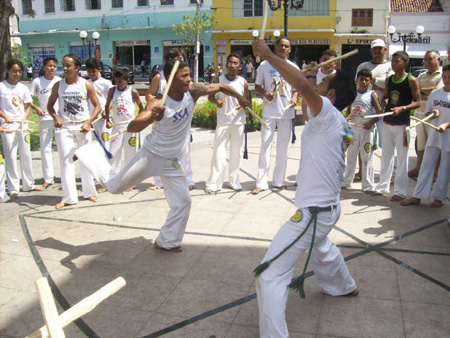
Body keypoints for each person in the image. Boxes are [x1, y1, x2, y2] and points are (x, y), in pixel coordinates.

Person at [73, 59, 250, 252]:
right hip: (151, 155)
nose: (188, 80)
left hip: (171, 160)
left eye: (189, 75)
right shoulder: (158, 102)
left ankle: (167, 240)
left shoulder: (193, 91)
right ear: (170, 78)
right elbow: (132, 126)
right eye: (184, 76)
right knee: (114, 187)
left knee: (183, 202)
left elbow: (223, 86)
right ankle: (89, 152)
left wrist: (240, 98)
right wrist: (151, 116)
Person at [252, 39, 358, 338]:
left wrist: (270, 55)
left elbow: (301, 87)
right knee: (321, 246)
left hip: (314, 213)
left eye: (324, 83)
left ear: (331, 94)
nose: (318, 84)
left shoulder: (326, 113)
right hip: (326, 210)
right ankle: (344, 285)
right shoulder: (332, 119)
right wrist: (313, 76)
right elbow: (307, 102)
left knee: (269, 273)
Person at [47, 53, 101, 209]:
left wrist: (88, 122)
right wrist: (56, 118)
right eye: (63, 65)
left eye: (68, 65)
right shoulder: (58, 85)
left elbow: (97, 106)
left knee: (85, 159)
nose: (64, 68)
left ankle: (89, 192)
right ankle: (69, 197)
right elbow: (50, 106)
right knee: (66, 161)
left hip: (83, 127)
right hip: (65, 128)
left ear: (77, 68)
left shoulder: (86, 84)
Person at [371, 51, 421, 201]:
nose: (393, 64)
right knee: (386, 156)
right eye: (392, 61)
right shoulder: (390, 79)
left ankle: (399, 191)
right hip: (388, 123)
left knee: (402, 158)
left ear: (405, 63)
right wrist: (382, 103)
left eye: (397, 61)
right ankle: (383, 187)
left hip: (403, 126)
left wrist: (403, 108)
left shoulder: (411, 80)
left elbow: (418, 102)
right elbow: (386, 96)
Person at [252, 36, 299, 195]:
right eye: (281, 45)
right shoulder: (265, 65)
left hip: (286, 112)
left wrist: (294, 98)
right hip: (270, 112)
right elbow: (257, 86)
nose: (284, 49)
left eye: (287, 46)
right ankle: (261, 182)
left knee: (283, 148)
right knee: (265, 145)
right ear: (276, 46)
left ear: (290, 49)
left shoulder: (293, 67)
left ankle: (279, 181)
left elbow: (296, 88)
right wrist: (266, 93)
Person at [146, 48, 196, 190]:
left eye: (181, 59)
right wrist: (157, 101)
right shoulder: (159, 77)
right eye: (175, 59)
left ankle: (188, 178)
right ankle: (158, 181)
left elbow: (190, 94)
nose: (178, 62)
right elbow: (149, 95)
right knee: (159, 151)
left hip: (180, 119)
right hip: (163, 120)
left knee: (184, 150)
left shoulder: (184, 78)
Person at [401, 64, 450, 208]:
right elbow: (427, 112)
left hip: (447, 136)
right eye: (445, 77)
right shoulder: (435, 94)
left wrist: (446, 125)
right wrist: (432, 114)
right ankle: (418, 195)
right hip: (434, 135)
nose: (447, 80)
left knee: (445, 167)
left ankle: (439, 198)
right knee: (426, 165)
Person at [204, 53, 249, 193]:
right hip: (223, 121)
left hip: (238, 122)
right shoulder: (219, 79)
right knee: (218, 152)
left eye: (235, 63)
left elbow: (247, 102)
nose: (232, 65)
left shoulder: (243, 82)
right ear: (226, 65)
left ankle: (234, 181)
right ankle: (214, 184)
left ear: (240, 66)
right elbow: (210, 96)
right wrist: (217, 102)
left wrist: (241, 105)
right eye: (230, 63)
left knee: (236, 153)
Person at [0, 59, 43, 201]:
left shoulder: (23, 88)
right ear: (7, 71)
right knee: (11, 156)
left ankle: (28, 184)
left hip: (22, 125)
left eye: (19, 71)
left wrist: (25, 117)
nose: (17, 74)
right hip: (8, 126)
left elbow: (28, 104)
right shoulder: (1, 87)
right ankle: (13, 188)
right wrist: (5, 117)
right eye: (14, 71)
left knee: (26, 154)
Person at [342, 68, 382, 193]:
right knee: (351, 156)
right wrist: (348, 116)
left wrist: (371, 123)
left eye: (366, 80)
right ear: (357, 80)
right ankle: (347, 181)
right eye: (361, 80)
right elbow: (349, 109)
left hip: (367, 131)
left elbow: (379, 113)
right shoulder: (353, 93)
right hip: (354, 129)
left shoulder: (372, 94)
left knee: (367, 157)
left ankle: (368, 185)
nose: (363, 82)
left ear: (370, 81)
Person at [408, 50, 443, 178]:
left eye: (430, 59)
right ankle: (419, 167)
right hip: (419, 113)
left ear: (438, 59)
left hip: (434, 115)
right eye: (425, 59)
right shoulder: (422, 75)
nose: (427, 62)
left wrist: (421, 91)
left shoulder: (442, 75)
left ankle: (435, 172)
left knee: (433, 144)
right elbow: (414, 90)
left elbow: (437, 91)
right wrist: (424, 92)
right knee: (420, 143)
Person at [355, 39, 393, 152]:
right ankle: (363, 169)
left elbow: (390, 83)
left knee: (385, 142)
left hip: (382, 109)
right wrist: (381, 84)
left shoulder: (390, 66)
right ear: (371, 51)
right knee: (364, 143)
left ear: (385, 50)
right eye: (375, 49)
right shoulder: (363, 65)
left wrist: (374, 80)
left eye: (380, 48)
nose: (377, 51)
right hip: (364, 109)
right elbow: (357, 83)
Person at [29, 56, 61, 189]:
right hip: (44, 119)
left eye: (54, 66)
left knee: (62, 147)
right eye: (49, 66)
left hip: (59, 119)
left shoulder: (60, 81)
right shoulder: (37, 81)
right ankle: (48, 178)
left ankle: (64, 176)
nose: (51, 68)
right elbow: (28, 99)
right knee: (45, 148)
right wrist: (37, 109)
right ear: (43, 67)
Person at [105, 68, 144, 175]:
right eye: (116, 81)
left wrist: (138, 121)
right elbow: (107, 106)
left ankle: (129, 179)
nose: (118, 84)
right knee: (113, 152)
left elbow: (141, 107)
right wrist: (108, 120)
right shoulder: (112, 91)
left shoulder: (133, 92)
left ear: (127, 80)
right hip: (117, 126)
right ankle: (112, 178)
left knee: (130, 153)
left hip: (130, 127)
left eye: (120, 82)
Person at [85, 57, 113, 152]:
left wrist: (106, 110)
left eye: (94, 71)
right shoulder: (85, 83)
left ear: (99, 69)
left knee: (106, 141)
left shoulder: (106, 83)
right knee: (93, 144)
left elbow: (112, 100)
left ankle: (109, 163)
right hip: (90, 118)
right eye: (89, 71)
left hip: (103, 118)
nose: (91, 74)